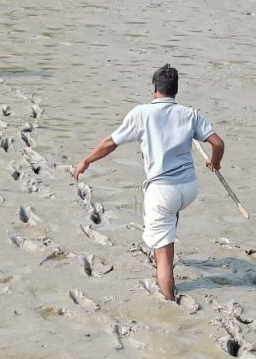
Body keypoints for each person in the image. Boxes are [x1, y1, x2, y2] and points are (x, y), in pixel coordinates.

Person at [73, 64, 225, 302]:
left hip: (162, 192)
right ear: (175, 90)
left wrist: (86, 160)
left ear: (155, 89)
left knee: (163, 259)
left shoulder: (141, 113)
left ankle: (170, 304)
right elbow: (218, 144)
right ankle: (168, 238)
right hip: (188, 189)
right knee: (169, 219)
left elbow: (110, 143)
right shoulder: (190, 114)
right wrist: (214, 163)